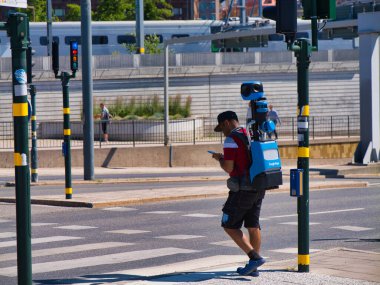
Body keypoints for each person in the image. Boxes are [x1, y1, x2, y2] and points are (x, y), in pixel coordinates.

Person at [211, 110, 266, 277]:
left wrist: (219, 159)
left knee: (229, 226)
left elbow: (228, 167)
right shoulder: (250, 133)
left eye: (222, 128)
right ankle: (253, 267)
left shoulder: (230, 140)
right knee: (253, 225)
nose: (223, 132)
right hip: (259, 185)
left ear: (226, 123)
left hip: (242, 189)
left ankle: (254, 258)